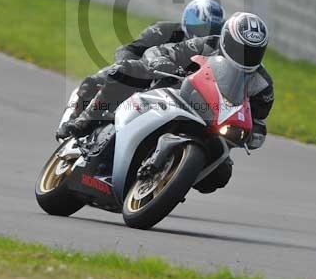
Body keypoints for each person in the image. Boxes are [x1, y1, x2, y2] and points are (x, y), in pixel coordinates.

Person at [60, 12, 274, 193]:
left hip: (212, 122)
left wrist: (252, 134)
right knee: (123, 72)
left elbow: (258, 122)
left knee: (220, 175)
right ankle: (86, 120)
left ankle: (172, 177)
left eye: (254, 51)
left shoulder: (262, 85)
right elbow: (162, 51)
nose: (247, 56)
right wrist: (163, 61)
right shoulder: (206, 44)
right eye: (241, 48)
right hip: (174, 92)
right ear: (227, 39)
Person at [59, 0, 226, 138]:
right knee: (95, 81)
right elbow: (129, 50)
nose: (204, 34)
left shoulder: (216, 49)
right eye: (201, 28)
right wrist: (134, 67)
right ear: (187, 22)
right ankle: (79, 121)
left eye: (212, 30)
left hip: (179, 92)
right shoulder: (164, 30)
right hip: (144, 74)